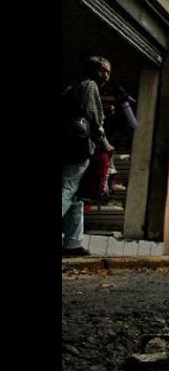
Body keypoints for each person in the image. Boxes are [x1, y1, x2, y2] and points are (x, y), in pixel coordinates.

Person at [62, 56, 114, 257]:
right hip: (79, 146)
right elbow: (93, 119)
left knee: (76, 196)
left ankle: (72, 243)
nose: (106, 76)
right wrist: (105, 144)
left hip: (70, 144)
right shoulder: (90, 86)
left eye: (108, 72)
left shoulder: (74, 87)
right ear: (93, 70)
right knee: (68, 188)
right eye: (103, 70)